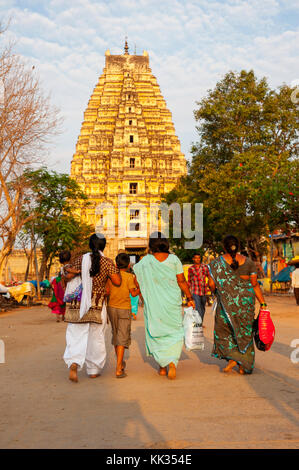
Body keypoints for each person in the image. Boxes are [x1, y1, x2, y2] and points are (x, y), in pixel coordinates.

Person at [133, 232, 195, 380]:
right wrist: (190, 297)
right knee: (174, 331)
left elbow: (137, 282)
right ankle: (172, 363)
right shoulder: (174, 259)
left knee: (157, 331)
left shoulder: (145, 261)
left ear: (151, 245)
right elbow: (181, 281)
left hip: (154, 303)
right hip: (172, 303)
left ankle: (162, 366)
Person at [63, 234, 121, 383]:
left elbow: (67, 276)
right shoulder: (107, 262)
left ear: (90, 244)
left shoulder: (80, 259)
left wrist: (78, 272)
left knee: (76, 335)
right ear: (104, 246)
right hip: (97, 304)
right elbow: (117, 282)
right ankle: (93, 370)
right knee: (96, 337)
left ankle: (74, 363)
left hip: (79, 305)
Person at [208, 235, 267, 375]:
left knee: (225, 331)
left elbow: (211, 284)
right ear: (239, 246)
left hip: (226, 304)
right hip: (246, 305)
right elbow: (254, 285)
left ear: (224, 247)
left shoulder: (215, 264)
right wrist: (263, 303)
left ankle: (233, 358)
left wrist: (217, 291)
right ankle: (243, 365)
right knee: (245, 332)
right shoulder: (249, 263)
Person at [106, 253, 140, 378]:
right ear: (128, 264)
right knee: (122, 337)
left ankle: (120, 363)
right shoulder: (130, 277)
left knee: (116, 335)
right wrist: (140, 287)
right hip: (124, 309)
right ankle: (118, 369)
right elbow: (134, 294)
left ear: (116, 263)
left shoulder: (111, 276)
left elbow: (107, 291)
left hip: (111, 308)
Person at [48, 250, 72, 322]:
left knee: (57, 304)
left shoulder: (57, 277)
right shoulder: (71, 267)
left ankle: (58, 317)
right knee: (63, 303)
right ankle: (63, 316)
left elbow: (51, 284)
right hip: (64, 289)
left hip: (58, 290)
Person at [188, 253, 209, 324]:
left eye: (198, 258)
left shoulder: (205, 267)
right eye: (196, 258)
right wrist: (188, 292)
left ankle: (200, 321)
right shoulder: (191, 268)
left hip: (203, 290)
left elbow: (209, 277)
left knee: (203, 308)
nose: (197, 259)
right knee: (198, 307)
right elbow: (189, 280)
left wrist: (209, 285)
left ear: (200, 259)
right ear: (193, 259)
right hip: (195, 290)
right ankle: (199, 323)